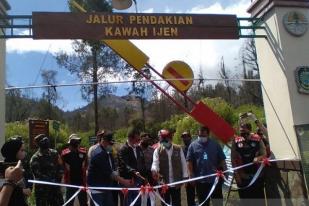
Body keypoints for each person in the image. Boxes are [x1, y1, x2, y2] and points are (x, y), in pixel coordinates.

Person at [87, 132, 132, 206]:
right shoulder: (98, 154)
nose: (111, 146)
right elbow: (109, 173)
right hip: (97, 190)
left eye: (112, 144)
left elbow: (114, 168)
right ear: (103, 141)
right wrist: (124, 181)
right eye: (110, 144)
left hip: (106, 188)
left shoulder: (109, 153)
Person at [187, 126, 226, 206]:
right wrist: (191, 175)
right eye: (200, 135)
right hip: (201, 181)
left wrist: (225, 173)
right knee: (203, 203)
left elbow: (222, 160)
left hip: (215, 180)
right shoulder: (192, 146)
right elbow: (189, 161)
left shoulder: (215, 145)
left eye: (203, 136)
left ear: (208, 134)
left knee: (218, 202)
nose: (201, 137)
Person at [231, 122, 267, 205]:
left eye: (244, 130)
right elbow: (233, 159)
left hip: (257, 176)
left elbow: (264, 153)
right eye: (241, 131)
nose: (242, 132)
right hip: (243, 177)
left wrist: (258, 158)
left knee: (259, 201)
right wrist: (237, 176)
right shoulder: (236, 141)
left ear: (250, 130)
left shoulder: (257, 139)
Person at [151, 129, 188, 206]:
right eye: (163, 142)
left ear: (170, 139)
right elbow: (155, 163)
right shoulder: (157, 150)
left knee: (177, 202)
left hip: (176, 182)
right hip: (164, 183)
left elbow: (183, 163)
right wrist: (154, 170)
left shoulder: (178, 149)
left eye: (166, 141)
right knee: (165, 203)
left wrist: (185, 177)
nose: (164, 143)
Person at [30, 134, 64, 206]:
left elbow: (60, 166)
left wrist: (58, 178)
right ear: (39, 143)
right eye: (43, 140)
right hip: (42, 190)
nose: (46, 141)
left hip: (55, 188)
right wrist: (49, 180)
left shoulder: (54, 153)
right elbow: (37, 174)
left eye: (46, 139)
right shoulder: (35, 157)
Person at [118, 127, 147, 206]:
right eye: (137, 139)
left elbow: (142, 163)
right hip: (127, 181)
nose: (139, 141)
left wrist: (145, 176)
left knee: (138, 202)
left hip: (138, 181)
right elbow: (124, 164)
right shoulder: (123, 149)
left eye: (139, 139)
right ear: (130, 138)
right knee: (127, 203)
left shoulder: (138, 148)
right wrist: (134, 172)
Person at [1, 136, 30, 206]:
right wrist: (22, 191)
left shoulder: (19, 165)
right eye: (21, 150)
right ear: (13, 151)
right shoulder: (3, 167)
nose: (24, 153)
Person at [61, 134, 87, 206]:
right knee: (69, 203)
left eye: (78, 141)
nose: (76, 143)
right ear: (70, 143)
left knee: (83, 203)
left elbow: (86, 166)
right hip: (70, 183)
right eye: (74, 141)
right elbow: (62, 166)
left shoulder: (83, 153)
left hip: (81, 182)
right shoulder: (65, 154)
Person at [181, 131, 196, 206]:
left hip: (198, 174)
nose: (185, 138)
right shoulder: (181, 149)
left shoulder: (195, 146)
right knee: (190, 197)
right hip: (187, 177)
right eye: (183, 137)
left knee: (201, 195)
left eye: (186, 136)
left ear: (190, 137)